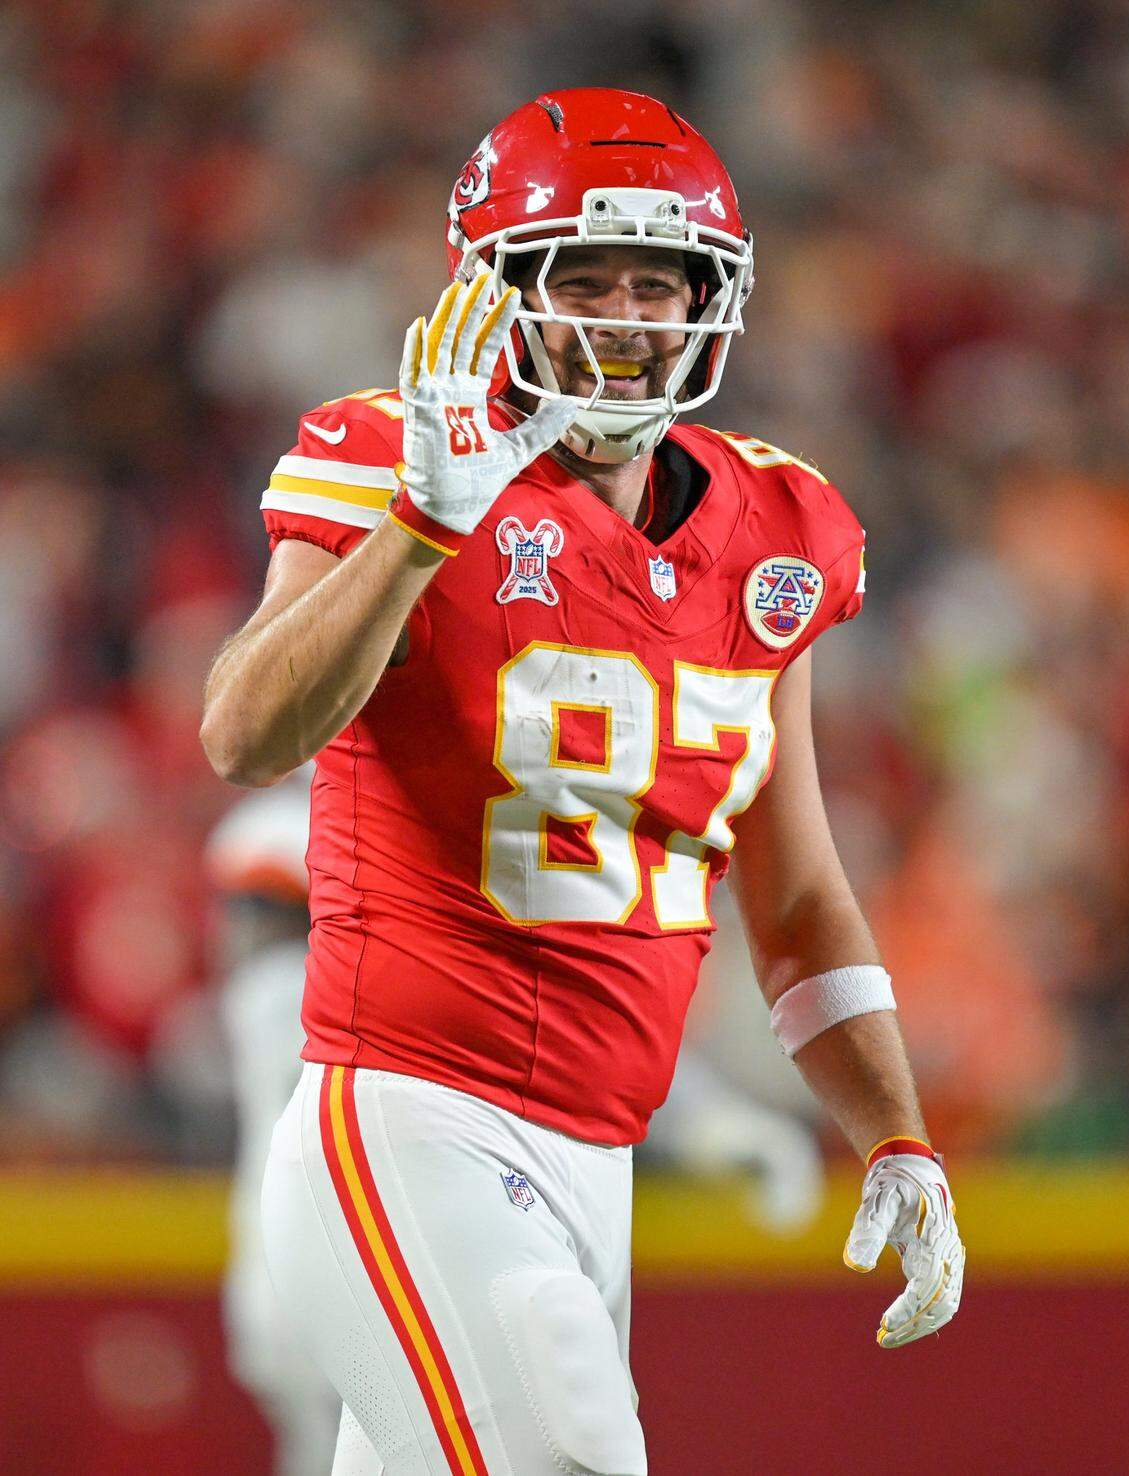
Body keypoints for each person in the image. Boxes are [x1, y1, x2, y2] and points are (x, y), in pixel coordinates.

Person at [201, 87, 965, 1476]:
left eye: (660, 282)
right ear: (500, 294)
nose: (627, 316)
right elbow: (243, 732)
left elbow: (795, 895)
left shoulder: (776, 529)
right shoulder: (395, 458)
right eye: (587, 278)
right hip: (409, 1114)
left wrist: (897, 1136)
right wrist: (419, 535)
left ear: (710, 301)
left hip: (593, 1162)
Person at [205, 766, 342, 1476]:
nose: (248, 930)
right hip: (325, 1294)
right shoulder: (276, 998)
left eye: (271, 908)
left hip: (292, 1295)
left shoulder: (270, 995)